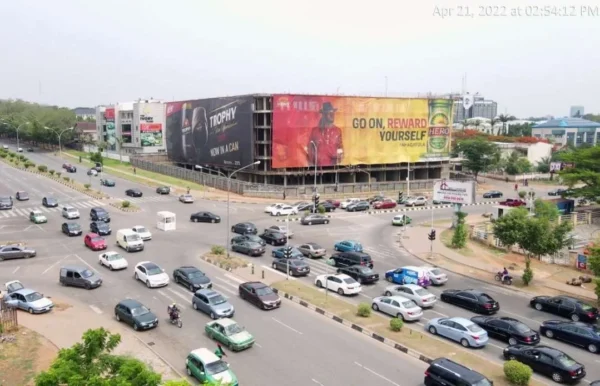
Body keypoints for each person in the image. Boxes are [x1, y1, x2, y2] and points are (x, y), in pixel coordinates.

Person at [307, 102, 343, 167]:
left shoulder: (337, 131)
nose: (332, 115)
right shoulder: (315, 131)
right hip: (317, 168)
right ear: (324, 115)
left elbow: (340, 149)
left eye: (333, 113)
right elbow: (309, 149)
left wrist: (339, 157)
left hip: (333, 168)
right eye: (329, 113)